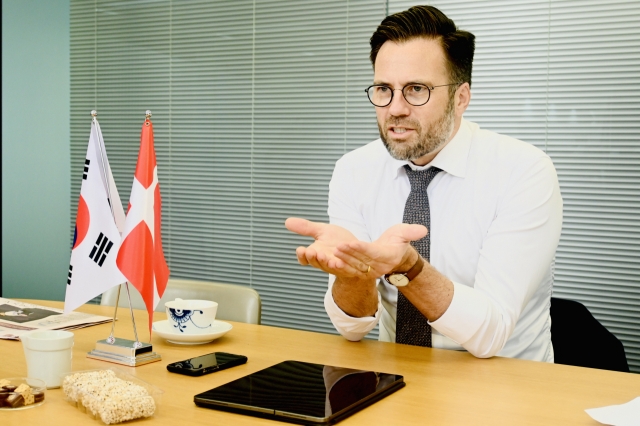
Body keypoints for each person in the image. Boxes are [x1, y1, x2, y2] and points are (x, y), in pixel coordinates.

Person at [285, 5, 562, 361]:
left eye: (416, 89)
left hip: (502, 387)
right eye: (384, 89)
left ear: (461, 98)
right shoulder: (354, 170)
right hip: (397, 382)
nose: (395, 108)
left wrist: (409, 268)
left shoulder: (523, 171)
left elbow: (491, 334)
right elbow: (351, 328)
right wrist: (354, 276)